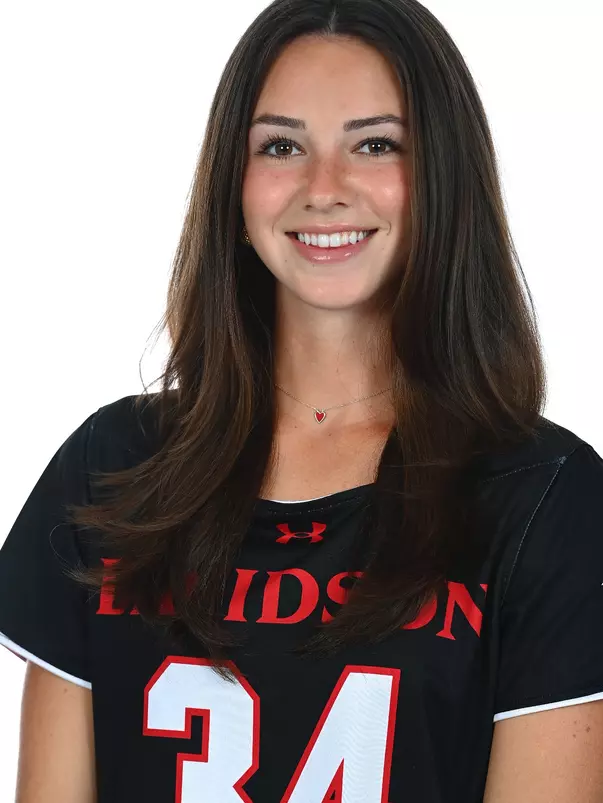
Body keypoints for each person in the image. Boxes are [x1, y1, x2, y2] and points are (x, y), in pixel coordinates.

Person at [1, 0, 603, 801]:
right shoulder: (110, 467)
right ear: (235, 185)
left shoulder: (546, 495)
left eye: (375, 144)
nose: (324, 188)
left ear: (441, 178)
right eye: (281, 146)